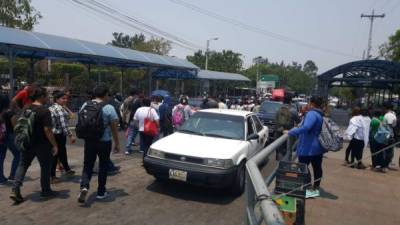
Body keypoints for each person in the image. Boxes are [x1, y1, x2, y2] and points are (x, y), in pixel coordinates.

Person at [10, 87, 59, 203]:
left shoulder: (26, 108)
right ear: (41, 97)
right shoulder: (45, 111)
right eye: (46, 96)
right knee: (45, 166)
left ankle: (15, 189)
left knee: (22, 165)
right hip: (42, 144)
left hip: (27, 142)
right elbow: (47, 130)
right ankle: (45, 191)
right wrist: (55, 145)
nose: (48, 98)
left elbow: (14, 119)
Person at [77, 85, 120, 203]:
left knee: (88, 165)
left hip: (89, 140)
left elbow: (80, 120)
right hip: (104, 141)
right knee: (103, 166)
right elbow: (114, 127)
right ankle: (101, 192)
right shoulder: (109, 107)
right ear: (106, 94)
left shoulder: (86, 104)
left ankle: (84, 186)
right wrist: (117, 143)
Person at [287, 96, 325, 198]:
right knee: (317, 168)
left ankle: (308, 188)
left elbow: (306, 127)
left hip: (308, 147)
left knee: (302, 167)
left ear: (311, 103)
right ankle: (315, 189)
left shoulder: (312, 114)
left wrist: (291, 131)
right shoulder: (320, 114)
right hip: (317, 147)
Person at [49, 90, 76, 183]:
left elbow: (70, 117)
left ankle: (67, 169)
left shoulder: (53, 107)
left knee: (62, 152)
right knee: (56, 155)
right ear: (57, 99)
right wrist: (71, 135)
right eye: (63, 98)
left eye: (66, 98)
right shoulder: (60, 109)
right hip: (58, 134)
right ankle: (52, 176)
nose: (65, 100)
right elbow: (64, 124)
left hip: (54, 134)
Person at [0, 94, 20, 184]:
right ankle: (13, 175)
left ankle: (1, 178)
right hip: (10, 136)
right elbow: (15, 126)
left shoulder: (1, 113)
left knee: (1, 157)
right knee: (18, 155)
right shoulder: (10, 113)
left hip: (2, 137)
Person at [382, 102, 397, 170]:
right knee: (389, 151)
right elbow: (394, 125)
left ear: (386, 108)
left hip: (387, 135)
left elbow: (390, 125)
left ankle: (384, 165)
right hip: (391, 135)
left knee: (386, 151)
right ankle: (386, 164)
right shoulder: (394, 115)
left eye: (383, 108)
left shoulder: (387, 115)